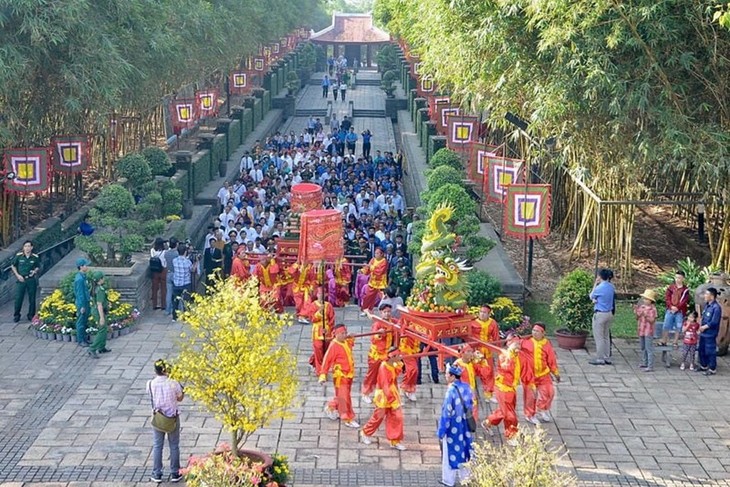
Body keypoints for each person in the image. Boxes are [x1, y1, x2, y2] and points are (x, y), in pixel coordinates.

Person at [484, 335, 535, 445]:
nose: (518, 346)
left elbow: (526, 370)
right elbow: (506, 367)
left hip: (512, 388)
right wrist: (512, 355)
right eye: (515, 344)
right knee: (510, 415)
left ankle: (488, 422)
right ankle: (511, 435)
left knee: (504, 411)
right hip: (502, 388)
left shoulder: (520, 356)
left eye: (518, 344)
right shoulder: (504, 355)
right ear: (508, 344)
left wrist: (530, 383)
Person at [360, 348, 406, 450]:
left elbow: (396, 375)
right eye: (398, 355)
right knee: (378, 418)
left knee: (396, 418)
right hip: (384, 397)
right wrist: (392, 400)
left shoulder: (391, 364)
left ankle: (395, 440)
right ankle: (365, 432)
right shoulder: (383, 368)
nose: (401, 357)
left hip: (393, 394)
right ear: (393, 357)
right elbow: (386, 387)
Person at [147, 359, 184, 483]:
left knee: (158, 446)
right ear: (165, 370)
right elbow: (180, 398)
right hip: (172, 418)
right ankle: (175, 472)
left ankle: (157, 473)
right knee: (174, 445)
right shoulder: (173, 383)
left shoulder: (150, 383)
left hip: (158, 418)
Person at [437, 365, 473, 487]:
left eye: (447, 374)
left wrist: (441, 431)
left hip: (453, 428)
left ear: (452, 376)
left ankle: (448, 480)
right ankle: (466, 479)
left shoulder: (451, 391)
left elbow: (446, 413)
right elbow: (471, 405)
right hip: (465, 426)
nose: (446, 376)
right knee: (465, 451)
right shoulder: (467, 388)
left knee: (449, 454)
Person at [319, 323, 359, 428]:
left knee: (342, 395)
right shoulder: (333, 345)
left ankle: (331, 407)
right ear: (336, 334)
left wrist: (351, 338)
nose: (345, 335)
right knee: (344, 397)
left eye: (345, 332)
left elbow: (349, 346)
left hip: (349, 374)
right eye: (342, 333)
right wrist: (323, 375)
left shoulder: (345, 341)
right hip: (340, 376)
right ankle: (347, 418)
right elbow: (326, 361)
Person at [521, 323, 561, 423]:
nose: (534, 333)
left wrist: (556, 373)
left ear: (543, 333)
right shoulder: (525, 342)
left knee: (549, 392)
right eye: (533, 330)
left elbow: (551, 359)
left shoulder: (546, 343)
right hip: (529, 375)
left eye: (537, 331)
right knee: (530, 396)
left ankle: (542, 408)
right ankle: (529, 415)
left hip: (543, 374)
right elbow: (512, 345)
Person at [362, 303, 394, 403]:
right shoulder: (377, 324)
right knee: (372, 375)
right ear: (381, 313)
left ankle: (388, 394)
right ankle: (365, 393)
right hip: (376, 355)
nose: (387, 314)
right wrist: (378, 334)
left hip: (387, 354)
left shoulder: (392, 322)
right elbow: (373, 338)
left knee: (389, 375)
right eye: (385, 312)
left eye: (389, 312)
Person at [470, 305, 499, 402]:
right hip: (475, 352)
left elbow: (496, 338)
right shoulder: (472, 322)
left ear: (489, 314)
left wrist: (497, 350)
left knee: (489, 372)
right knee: (472, 372)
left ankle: (489, 394)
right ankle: (471, 394)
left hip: (487, 351)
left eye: (484, 312)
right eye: (481, 312)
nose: (482, 314)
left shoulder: (493, 323)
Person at [589, 268, 616, 365]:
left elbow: (591, 296)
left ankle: (600, 358)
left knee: (599, 337)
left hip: (600, 314)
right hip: (609, 313)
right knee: (606, 336)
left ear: (600, 277)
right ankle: (606, 357)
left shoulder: (599, 288)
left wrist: (595, 284)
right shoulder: (611, 287)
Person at [11, 240, 41, 323]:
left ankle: (31, 315)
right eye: (25, 246)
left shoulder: (35, 257)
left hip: (31, 279)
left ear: (31, 247)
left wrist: (35, 271)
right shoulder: (19, 256)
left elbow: (38, 266)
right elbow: (13, 266)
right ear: (23, 247)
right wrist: (17, 275)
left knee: (32, 298)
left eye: (29, 246)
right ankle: (16, 315)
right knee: (18, 298)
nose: (27, 248)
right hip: (21, 279)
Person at [308, 289, 335, 374]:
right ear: (317, 295)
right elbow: (312, 318)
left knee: (326, 349)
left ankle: (320, 363)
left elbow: (332, 319)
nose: (321, 296)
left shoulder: (329, 305)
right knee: (318, 348)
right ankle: (320, 370)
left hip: (326, 330)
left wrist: (328, 329)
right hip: (317, 330)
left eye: (323, 294)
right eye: (320, 294)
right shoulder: (313, 305)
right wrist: (319, 311)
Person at [661, 270, 690, 348]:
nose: (677, 279)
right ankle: (664, 340)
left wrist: (677, 307)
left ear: (683, 279)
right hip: (670, 309)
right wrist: (671, 306)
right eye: (676, 277)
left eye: (679, 278)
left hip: (679, 311)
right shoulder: (671, 287)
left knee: (678, 326)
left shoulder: (685, 290)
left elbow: (684, 300)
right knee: (666, 325)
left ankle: (675, 342)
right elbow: (667, 298)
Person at [698, 287, 722, 376]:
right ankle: (703, 365)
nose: (705, 296)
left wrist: (704, 327)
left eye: (706, 294)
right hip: (703, 333)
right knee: (702, 350)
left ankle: (712, 368)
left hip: (710, 333)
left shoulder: (716, 307)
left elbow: (714, 322)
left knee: (710, 351)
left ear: (712, 296)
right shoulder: (707, 305)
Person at [88, 271, 112, 358]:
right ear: (100, 279)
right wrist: (101, 317)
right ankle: (92, 348)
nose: (103, 279)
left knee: (104, 329)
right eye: (102, 278)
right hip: (98, 312)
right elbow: (99, 304)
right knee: (102, 330)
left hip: (97, 310)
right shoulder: (100, 290)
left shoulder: (95, 288)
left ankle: (101, 347)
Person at [359, 247, 389, 316]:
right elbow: (367, 268)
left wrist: (371, 267)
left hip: (381, 283)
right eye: (375, 253)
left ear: (382, 254)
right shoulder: (373, 260)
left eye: (378, 253)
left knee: (384, 298)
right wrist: (362, 270)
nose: (376, 254)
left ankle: (386, 311)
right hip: (372, 282)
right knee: (368, 297)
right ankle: (366, 310)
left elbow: (380, 271)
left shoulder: (384, 261)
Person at [635, 289, 658, 372]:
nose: (644, 300)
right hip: (641, 330)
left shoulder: (653, 309)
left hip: (648, 331)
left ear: (650, 300)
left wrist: (646, 316)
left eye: (646, 299)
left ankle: (650, 365)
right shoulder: (642, 307)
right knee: (642, 347)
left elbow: (652, 320)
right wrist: (637, 312)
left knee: (649, 348)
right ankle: (644, 362)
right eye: (644, 299)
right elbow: (637, 317)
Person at [171, 246, 194, 322]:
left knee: (175, 301)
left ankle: (174, 317)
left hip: (177, 283)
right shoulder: (188, 262)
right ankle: (186, 317)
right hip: (185, 283)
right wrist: (196, 262)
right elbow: (192, 270)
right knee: (186, 301)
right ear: (185, 252)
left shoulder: (174, 260)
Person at [74, 258, 91, 347]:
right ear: (81, 267)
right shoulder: (80, 279)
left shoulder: (83, 276)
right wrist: (82, 306)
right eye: (85, 265)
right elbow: (80, 294)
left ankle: (84, 339)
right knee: (81, 322)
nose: (87, 267)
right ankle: (81, 340)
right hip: (82, 303)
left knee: (84, 321)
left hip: (86, 301)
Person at [150, 237, 167, 310]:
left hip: (155, 270)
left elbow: (152, 257)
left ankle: (155, 305)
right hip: (163, 270)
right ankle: (163, 305)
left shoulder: (152, 250)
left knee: (155, 288)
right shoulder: (164, 251)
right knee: (163, 288)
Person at [163, 238, 179, 315]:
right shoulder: (177, 254)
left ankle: (167, 310)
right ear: (176, 244)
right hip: (176, 274)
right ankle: (177, 309)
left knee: (169, 293)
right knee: (178, 293)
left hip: (168, 273)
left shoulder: (166, 253)